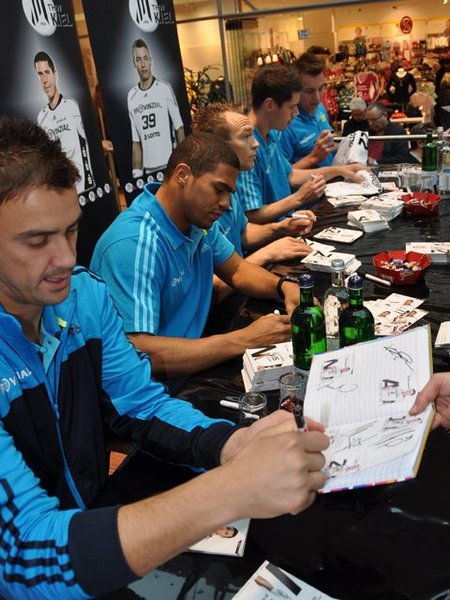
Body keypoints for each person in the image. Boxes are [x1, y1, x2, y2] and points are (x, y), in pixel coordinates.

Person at [0, 115, 329, 600]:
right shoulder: (118, 257)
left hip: (90, 527)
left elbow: (139, 403)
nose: (67, 257)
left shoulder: (83, 298)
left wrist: (231, 444)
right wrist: (230, 489)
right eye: (37, 240)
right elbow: (26, 555)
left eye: (70, 231)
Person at [91, 132, 301, 384]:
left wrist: (285, 286)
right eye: (219, 189)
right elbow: (140, 352)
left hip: (193, 367)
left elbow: (237, 270)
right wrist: (244, 340)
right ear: (182, 175)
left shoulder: (197, 222)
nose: (226, 204)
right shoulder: (134, 243)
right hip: (155, 392)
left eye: (229, 193)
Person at [238, 64, 367, 225]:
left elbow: (290, 175)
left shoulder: (271, 134)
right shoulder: (246, 147)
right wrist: (298, 198)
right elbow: (251, 215)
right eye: (292, 107)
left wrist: (340, 170)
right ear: (270, 105)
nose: (296, 113)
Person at [192, 102, 315, 265]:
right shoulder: (200, 205)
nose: (255, 144)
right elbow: (212, 279)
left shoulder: (230, 186)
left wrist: (281, 228)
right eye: (245, 137)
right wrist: (267, 254)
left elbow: (242, 233)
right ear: (218, 146)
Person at [34, 50, 95, 195]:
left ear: (55, 74)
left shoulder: (72, 106)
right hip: (61, 190)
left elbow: (87, 145)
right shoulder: (41, 117)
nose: (44, 80)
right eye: (40, 74)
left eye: (47, 72)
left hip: (82, 186)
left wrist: (88, 181)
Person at [128, 38, 185, 184]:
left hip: (170, 165)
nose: (143, 64)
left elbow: (179, 128)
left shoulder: (164, 88)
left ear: (151, 61)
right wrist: (137, 175)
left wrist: (182, 161)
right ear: (134, 63)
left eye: (145, 58)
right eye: (138, 60)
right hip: (148, 171)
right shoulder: (131, 96)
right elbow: (136, 142)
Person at [280, 52, 336, 169]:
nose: (317, 97)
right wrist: (312, 158)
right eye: (309, 91)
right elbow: (281, 175)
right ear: (295, 90)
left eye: (321, 88)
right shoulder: (285, 125)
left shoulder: (320, 108)